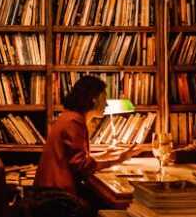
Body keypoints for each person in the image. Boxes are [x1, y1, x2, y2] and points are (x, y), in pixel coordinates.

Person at [33, 75, 141, 207]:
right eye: (104, 97)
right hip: (58, 197)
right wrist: (118, 160)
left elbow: (71, 158)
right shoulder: (75, 121)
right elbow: (82, 166)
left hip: (48, 190)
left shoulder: (68, 116)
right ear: (94, 99)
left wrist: (105, 154)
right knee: (111, 205)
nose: (106, 104)